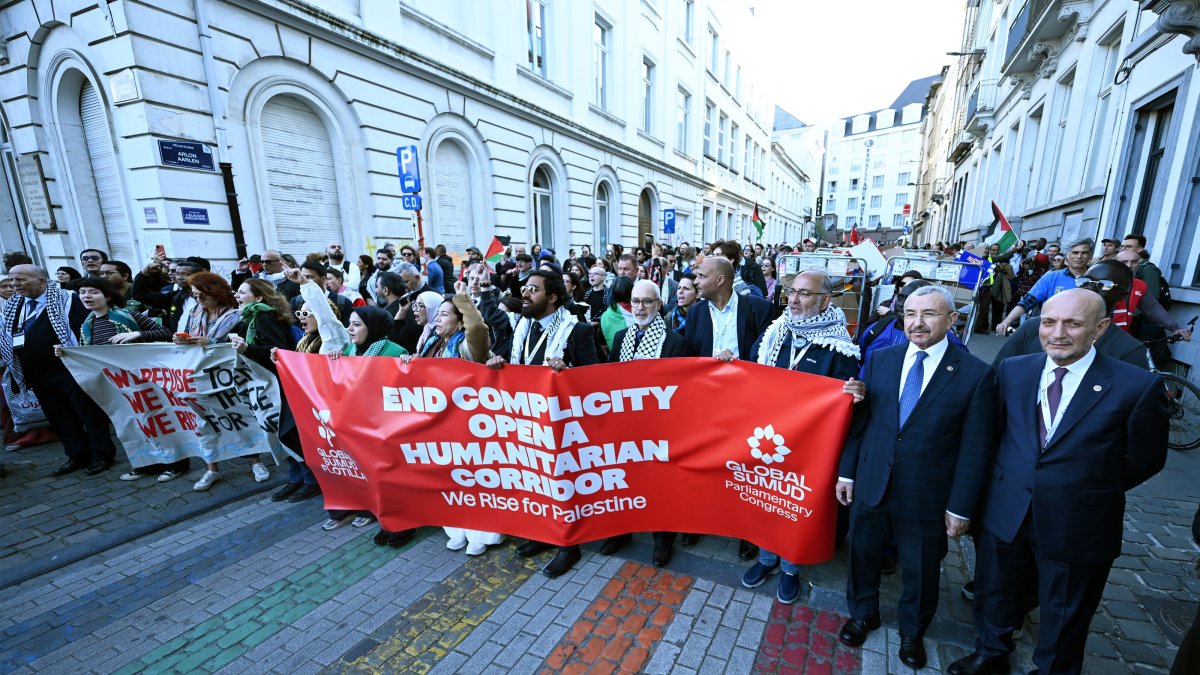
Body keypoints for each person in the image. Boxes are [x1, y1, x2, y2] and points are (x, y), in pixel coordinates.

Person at [950, 289, 1168, 675]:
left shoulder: (1136, 385)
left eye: (1073, 323)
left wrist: (1085, 488)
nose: (1057, 333)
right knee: (994, 591)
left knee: (1065, 610)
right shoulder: (1015, 370)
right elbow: (995, 435)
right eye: (1049, 322)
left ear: (1099, 329)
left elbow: (1146, 460)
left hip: (1079, 522)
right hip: (1006, 510)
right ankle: (990, 654)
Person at [836, 285, 997, 669]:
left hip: (928, 494)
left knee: (921, 569)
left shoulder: (975, 374)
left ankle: (912, 631)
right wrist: (847, 473)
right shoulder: (881, 360)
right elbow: (862, 423)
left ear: (952, 320)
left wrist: (960, 507)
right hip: (873, 481)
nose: (917, 323)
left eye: (929, 314)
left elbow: (977, 448)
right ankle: (863, 613)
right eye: (910, 314)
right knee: (861, 553)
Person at [742, 270, 862, 603]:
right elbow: (748, 371)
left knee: (794, 506)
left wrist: (854, 393)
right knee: (766, 502)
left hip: (808, 449)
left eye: (804, 294)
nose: (794, 299)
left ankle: (791, 569)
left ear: (825, 300)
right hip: (767, 439)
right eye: (791, 292)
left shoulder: (841, 348)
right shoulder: (773, 333)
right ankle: (766, 559)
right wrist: (728, 364)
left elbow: (845, 405)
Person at [486, 270, 599, 577]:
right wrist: (498, 363)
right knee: (535, 483)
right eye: (524, 288)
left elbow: (594, 380)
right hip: (527, 421)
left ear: (551, 297)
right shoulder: (521, 325)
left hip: (562, 425)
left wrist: (569, 370)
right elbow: (507, 363)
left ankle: (568, 545)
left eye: (533, 290)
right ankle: (542, 533)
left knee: (563, 486)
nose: (525, 293)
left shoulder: (577, 330)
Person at [684, 256, 773, 560]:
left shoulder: (757, 310)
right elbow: (688, 357)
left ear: (720, 279)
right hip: (705, 404)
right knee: (704, 465)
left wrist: (738, 366)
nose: (695, 281)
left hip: (745, 404)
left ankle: (746, 530)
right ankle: (699, 519)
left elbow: (769, 356)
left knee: (742, 467)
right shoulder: (695, 313)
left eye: (701, 276)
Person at [596, 280, 690, 567]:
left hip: (661, 428)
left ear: (659, 305)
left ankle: (663, 539)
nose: (640, 307)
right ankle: (622, 530)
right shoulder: (622, 337)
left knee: (661, 485)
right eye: (635, 302)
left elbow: (681, 392)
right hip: (626, 426)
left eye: (647, 302)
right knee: (624, 481)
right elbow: (609, 381)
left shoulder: (676, 343)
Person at [1, 265, 115, 476]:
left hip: (70, 369)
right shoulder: (13, 305)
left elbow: (85, 330)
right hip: (37, 374)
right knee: (59, 416)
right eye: (12, 280)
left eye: (20, 280)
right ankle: (77, 455)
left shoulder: (68, 299)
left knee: (88, 413)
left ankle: (102, 455)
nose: (14, 285)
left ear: (42, 282)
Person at [332, 305, 412, 546]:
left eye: (357, 325)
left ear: (374, 327)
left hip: (387, 426)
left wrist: (410, 366)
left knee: (393, 475)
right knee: (374, 475)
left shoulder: (395, 351)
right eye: (350, 323)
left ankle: (405, 523)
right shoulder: (349, 350)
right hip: (359, 425)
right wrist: (334, 363)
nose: (350, 329)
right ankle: (387, 520)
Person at [994, 259, 1150, 370]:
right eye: (1085, 281)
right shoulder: (1032, 328)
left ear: (1122, 296)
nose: (1090, 288)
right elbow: (996, 376)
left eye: (1104, 285)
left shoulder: (1129, 350)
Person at [995, 238, 1094, 334]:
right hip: (1050, 332)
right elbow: (1027, 302)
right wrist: (1006, 321)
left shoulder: (1096, 279)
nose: (1079, 256)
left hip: (1082, 334)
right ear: (1068, 255)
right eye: (1075, 252)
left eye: (1084, 253)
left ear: (1090, 255)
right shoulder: (1051, 277)